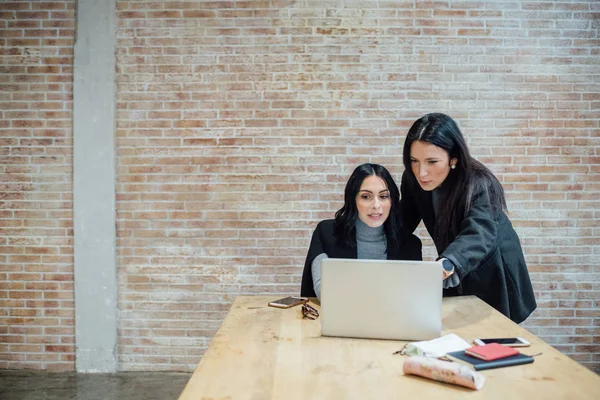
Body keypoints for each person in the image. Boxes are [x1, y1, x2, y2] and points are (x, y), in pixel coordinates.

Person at [399, 112, 537, 323]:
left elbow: (478, 234)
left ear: (453, 158)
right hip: (454, 262)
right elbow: (402, 223)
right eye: (414, 161)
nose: (422, 173)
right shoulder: (412, 179)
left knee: (491, 337)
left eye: (432, 161)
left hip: (492, 266)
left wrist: (446, 264)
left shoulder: (480, 183)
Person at [301, 163, 422, 299]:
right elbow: (324, 291)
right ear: (353, 199)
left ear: (392, 200)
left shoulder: (411, 244)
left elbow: (411, 297)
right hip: (341, 317)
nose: (376, 205)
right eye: (366, 197)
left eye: (383, 196)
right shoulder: (326, 233)